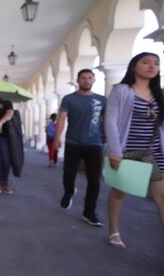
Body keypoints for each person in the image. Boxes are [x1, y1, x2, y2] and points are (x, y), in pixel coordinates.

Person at [105, 52, 164, 274]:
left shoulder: (158, 94)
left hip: (156, 152)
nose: (152, 66)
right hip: (129, 150)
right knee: (120, 192)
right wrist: (115, 151)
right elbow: (112, 121)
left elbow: (163, 127)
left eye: (156, 63)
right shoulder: (121, 90)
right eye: (146, 62)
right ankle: (114, 229)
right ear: (134, 66)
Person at [53, 69, 106, 227]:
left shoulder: (102, 100)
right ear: (78, 80)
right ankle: (69, 191)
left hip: (95, 143)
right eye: (83, 78)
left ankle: (89, 212)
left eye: (89, 78)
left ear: (94, 80)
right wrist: (57, 138)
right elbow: (62, 119)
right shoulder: (69, 99)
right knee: (68, 174)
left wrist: (112, 143)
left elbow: (108, 120)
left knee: (94, 180)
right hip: (73, 142)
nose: (86, 80)